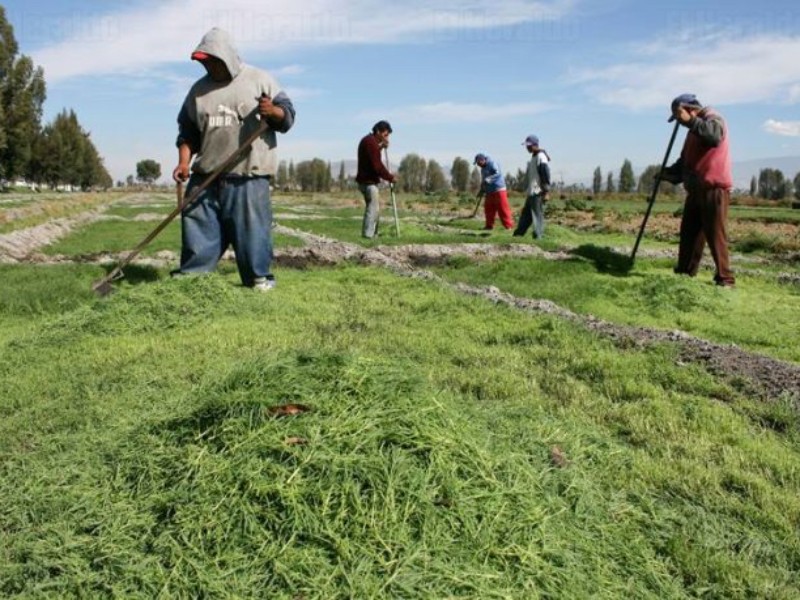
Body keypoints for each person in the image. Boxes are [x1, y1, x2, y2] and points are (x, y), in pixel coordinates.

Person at [172, 28, 295, 291]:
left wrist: (272, 111)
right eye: (204, 62)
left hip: (247, 176)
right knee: (196, 224)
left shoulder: (259, 79)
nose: (208, 67)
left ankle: (258, 280)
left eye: (212, 61)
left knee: (252, 233)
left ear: (226, 57)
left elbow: (288, 116)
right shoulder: (198, 91)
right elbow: (188, 132)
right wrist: (183, 163)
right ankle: (193, 281)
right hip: (206, 175)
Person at [661, 93, 735, 287]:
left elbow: (714, 136)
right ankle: (684, 275)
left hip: (714, 189)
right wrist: (667, 173)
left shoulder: (713, 117)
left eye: (678, 116)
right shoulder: (693, 131)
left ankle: (725, 280)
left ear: (689, 109)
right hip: (695, 190)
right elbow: (685, 162)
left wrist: (690, 121)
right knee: (689, 235)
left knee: (715, 236)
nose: (678, 121)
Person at [356, 121, 396, 238]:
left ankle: (373, 234)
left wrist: (382, 147)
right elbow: (377, 165)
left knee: (375, 209)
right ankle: (368, 235)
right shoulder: (370, 143)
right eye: (385, 135)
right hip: (368, 183)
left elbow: (373, 156)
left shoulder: (370, 142)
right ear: (378, 131)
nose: (387, 137)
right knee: (372, 209)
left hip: (368, 181)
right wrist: (390, 177)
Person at [513, 134, 551, 239]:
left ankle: (538, 236)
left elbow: (545, 174)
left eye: (529, 146)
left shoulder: (541, 157)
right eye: (526, 146)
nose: (527, 148)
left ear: (535, 145)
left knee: (537, 215)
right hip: (532, 190)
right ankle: (518, 234)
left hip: (538, 191)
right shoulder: (534, 156)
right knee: (526, 215)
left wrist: (546, 191)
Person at [474, 153, 514, 231]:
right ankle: (489, 226)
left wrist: (488, 179)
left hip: (498, 189)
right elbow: (484, 181)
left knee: (502, 208)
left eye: (479, 163)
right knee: (488, 209)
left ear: (482, 160)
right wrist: (482, 190)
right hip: (489, 191)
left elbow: (498, 174)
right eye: (477, 164)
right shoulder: (482, 169)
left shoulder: (492, 163)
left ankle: (508, 226)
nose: (478, 165)